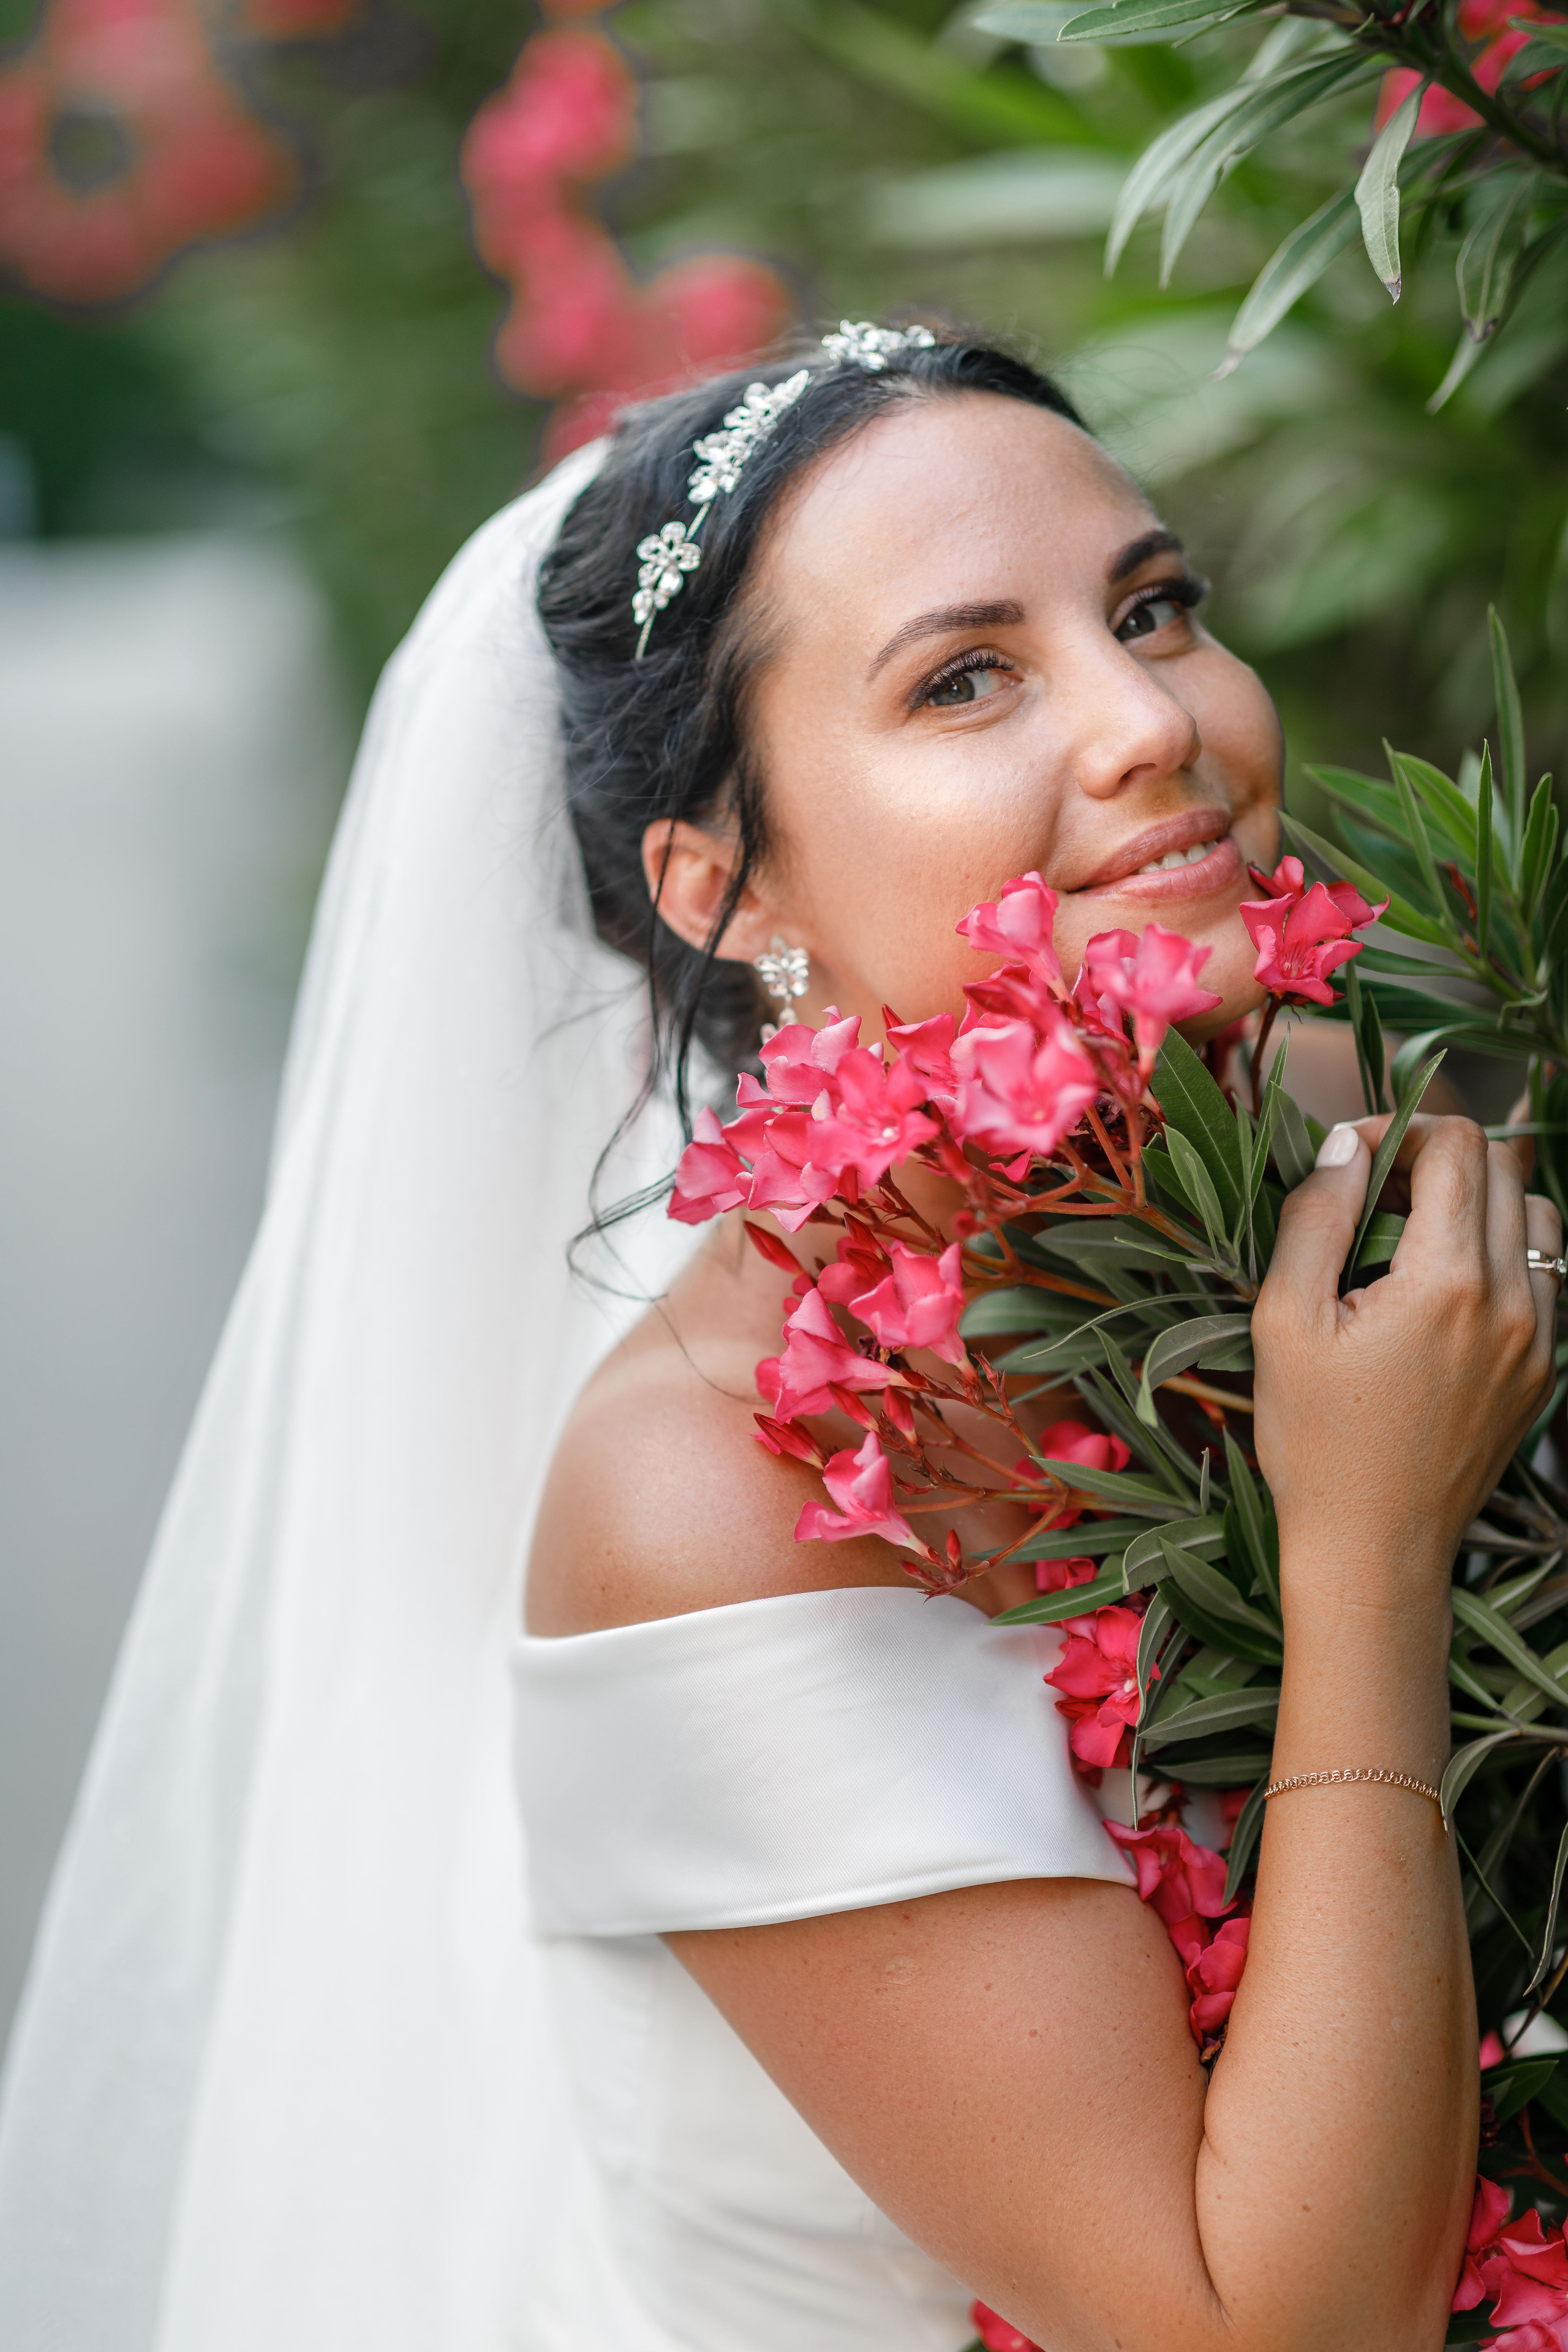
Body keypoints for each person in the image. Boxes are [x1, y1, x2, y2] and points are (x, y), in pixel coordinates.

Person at [0, 325, 1556, 2352]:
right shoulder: (709, 1496)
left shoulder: (1329, 1129)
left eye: (1153, 608)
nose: (1150, 721)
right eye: (964, 677)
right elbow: (1272, 2334)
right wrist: (1369, 1547)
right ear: (722, 889)